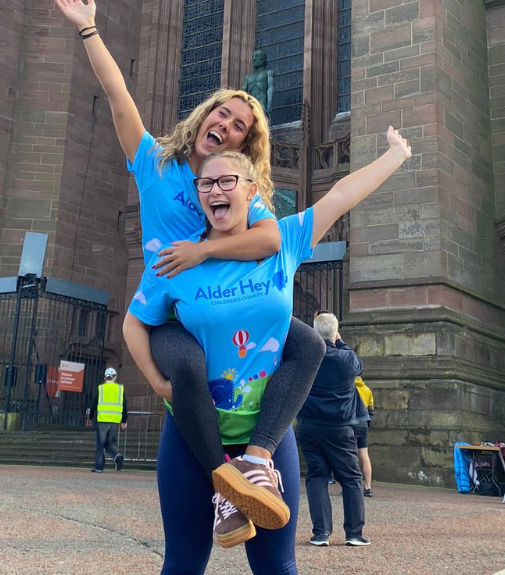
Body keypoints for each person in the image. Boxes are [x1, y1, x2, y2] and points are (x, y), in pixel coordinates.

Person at [54, 0, 325, 513]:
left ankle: (256, 457)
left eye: (239, 126)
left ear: (243, 145)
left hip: (224, 299)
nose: (225, 125)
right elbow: (119, 96)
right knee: (190, 365)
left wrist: (202, 252)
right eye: (221, 114)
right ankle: (225, 481)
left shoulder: (238, 188)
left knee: (311, 345)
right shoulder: (154, 162)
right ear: (205, 116)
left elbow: (271, 238)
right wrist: (89, 28)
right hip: (173, 309)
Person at [124, 130, 411, 571]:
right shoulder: (177, 258)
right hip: (192, 435)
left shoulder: (284, 241)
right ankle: (225, 484)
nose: (215, 190)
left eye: (227, 181)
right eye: (206, 183)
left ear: (251, 190)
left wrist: (395, 156)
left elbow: (340, 196)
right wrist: (158, 382)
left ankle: (251, 466)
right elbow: (136, 321)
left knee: (277, 567)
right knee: (182, 564)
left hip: (266, 434)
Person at [296, 311, 371, 547]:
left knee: (317, 477)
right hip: (339, 426)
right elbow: (358, 366)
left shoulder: (306, 356)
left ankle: (321, 533)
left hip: (309, 424)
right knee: (351, 479)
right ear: (336, 333)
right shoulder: (346, 358)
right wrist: (339, 340)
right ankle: (354, 533)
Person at [86, 367, 128, 473]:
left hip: (102, 420)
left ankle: (99, 467)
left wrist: (90, 416)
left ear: (105, 377)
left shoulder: (101, 388)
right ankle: (117, 456)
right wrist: (124, 420)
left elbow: (94, 403)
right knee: (110, 442)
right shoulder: (120, 389)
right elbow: (124, 405)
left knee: (100, 444)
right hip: (115, 420)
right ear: (115, 377)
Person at [354, 374, 374, 497]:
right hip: (363, 424)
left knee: (351, 455)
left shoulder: (349, 388)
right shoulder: (367, 390)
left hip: (351, 423)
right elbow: (371, 410)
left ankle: (354, 485)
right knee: (364, 455)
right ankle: (368, 486)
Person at [241, 50, 274, 114]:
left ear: (264, 59)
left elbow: (270, 88)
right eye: (253, 56)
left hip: (262, 106)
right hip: (250, 107)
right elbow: (242, 93)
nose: (254, 59)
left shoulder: (268, 73)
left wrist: (269, 105)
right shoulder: (248, 77)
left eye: (257, 56)